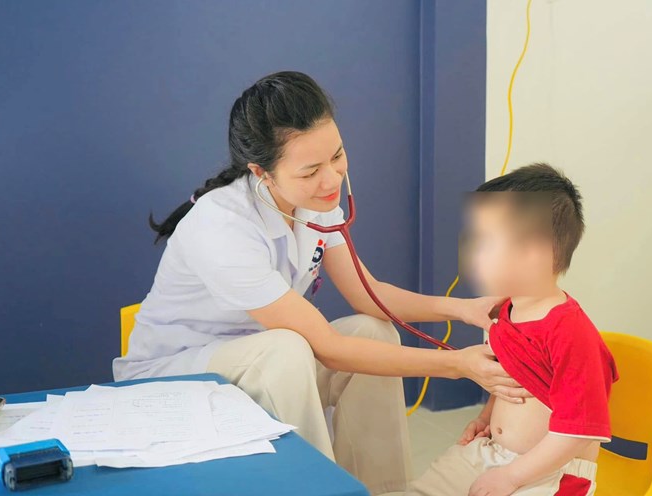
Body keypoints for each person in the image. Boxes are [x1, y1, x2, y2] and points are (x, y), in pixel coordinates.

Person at [112, 71, 528, 495]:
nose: (331, 180)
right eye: (310, 171)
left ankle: (384, 489)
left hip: (266, 365)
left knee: (373, 331)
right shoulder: (222, 226)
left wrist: (463, 309)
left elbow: (370, 296)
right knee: (287, 347)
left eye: (337, 156)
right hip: (175, 375)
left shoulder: (313, 202)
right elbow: (327, 347)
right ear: (261, 172)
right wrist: (458, 365)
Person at [406, 164, 619, 496]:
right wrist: (486, 418)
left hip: (551, 472)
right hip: (494, 452)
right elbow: (511, 378)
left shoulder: (571, 333)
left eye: (485, 242)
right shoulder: (509, 311)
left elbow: (578, 431)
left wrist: (511, 477)